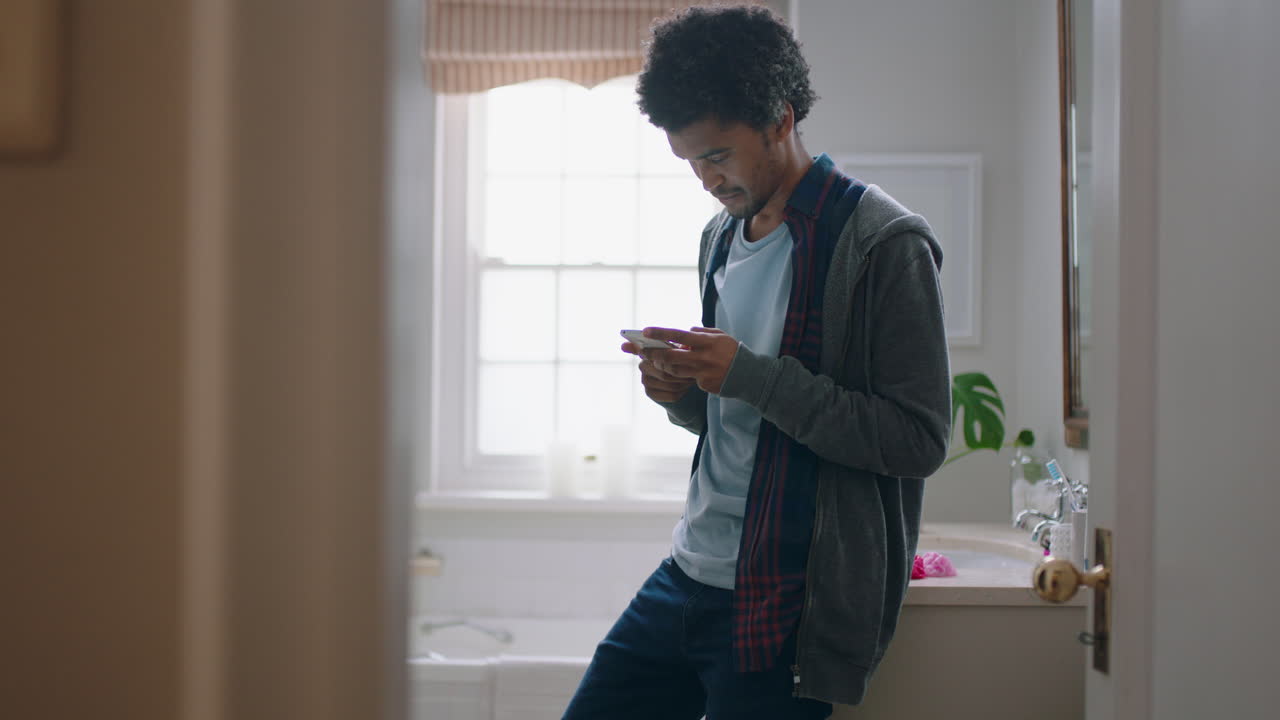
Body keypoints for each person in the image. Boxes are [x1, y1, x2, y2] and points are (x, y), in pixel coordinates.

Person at [562, 5, 951, 718]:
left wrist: (746, 374)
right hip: (688, 572)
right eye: (689, 161)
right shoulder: (721, 236)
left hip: (789, 603)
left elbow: (916, 440)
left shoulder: (885, 244)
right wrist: (680, 392)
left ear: (781, 117)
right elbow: (737, 422)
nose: (705, 179)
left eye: (716, 155)